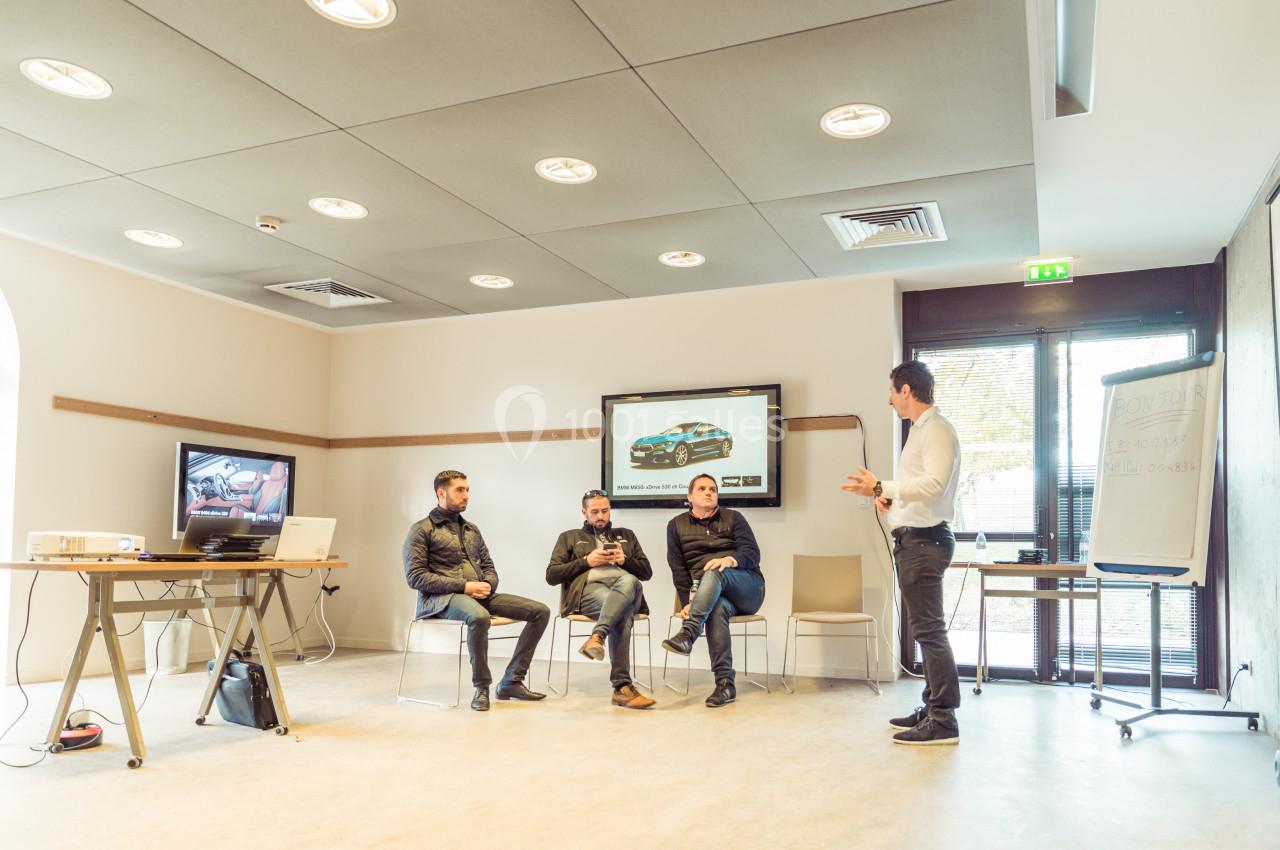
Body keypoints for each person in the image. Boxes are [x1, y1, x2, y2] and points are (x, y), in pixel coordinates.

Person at [843, 360, 962, 746]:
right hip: (915, 538)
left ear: (907, 390)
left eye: (893, 391)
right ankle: (931, 707)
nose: (889, 400)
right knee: (925, 630)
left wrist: (883, 485)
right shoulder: (920, 432)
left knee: (930, 631)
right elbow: (916, 491)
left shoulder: (937, 430)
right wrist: (885, 497)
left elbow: (934, 485)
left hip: (926, 542)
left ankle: (943, 720)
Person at [403, 470, 549, 711]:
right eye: (460, 490)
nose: (466, 495)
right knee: (479, 617)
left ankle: (512, 681)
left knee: (540, 611)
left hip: (479, 596)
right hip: (441, 600)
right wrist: (464, 586)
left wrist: (488, 585)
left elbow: (489, 567)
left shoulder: (472, 529)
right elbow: (415, 577)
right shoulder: (421, 529)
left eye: (467, 490)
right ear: (441, 493)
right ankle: (482, 687)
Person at [661, 474, 765, 708]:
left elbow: (753, 554)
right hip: (711, 597)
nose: (709, 492)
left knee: (716, 570)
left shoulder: (734, 518)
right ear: (690, 496)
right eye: (702, 489)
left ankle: (688, 634)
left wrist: (730, 559)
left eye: (713, 489)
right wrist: (686, 602)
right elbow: (678, 569)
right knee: (716, 608)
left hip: (747, 588)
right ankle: (725, 684)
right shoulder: (675, 525)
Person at [545, 489, 656, 709]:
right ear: (584, 512)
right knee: (622, 613)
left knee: (631, 581)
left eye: (605, 511)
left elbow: (646, 573)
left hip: (626, 590)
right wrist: (587, 561)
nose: (600, 516)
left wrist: (624, 560)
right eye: (594, 512)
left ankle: (597, 635)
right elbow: (552, 575)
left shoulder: (627, 535)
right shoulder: (569, 537)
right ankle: (622, 688)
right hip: (588, 593)